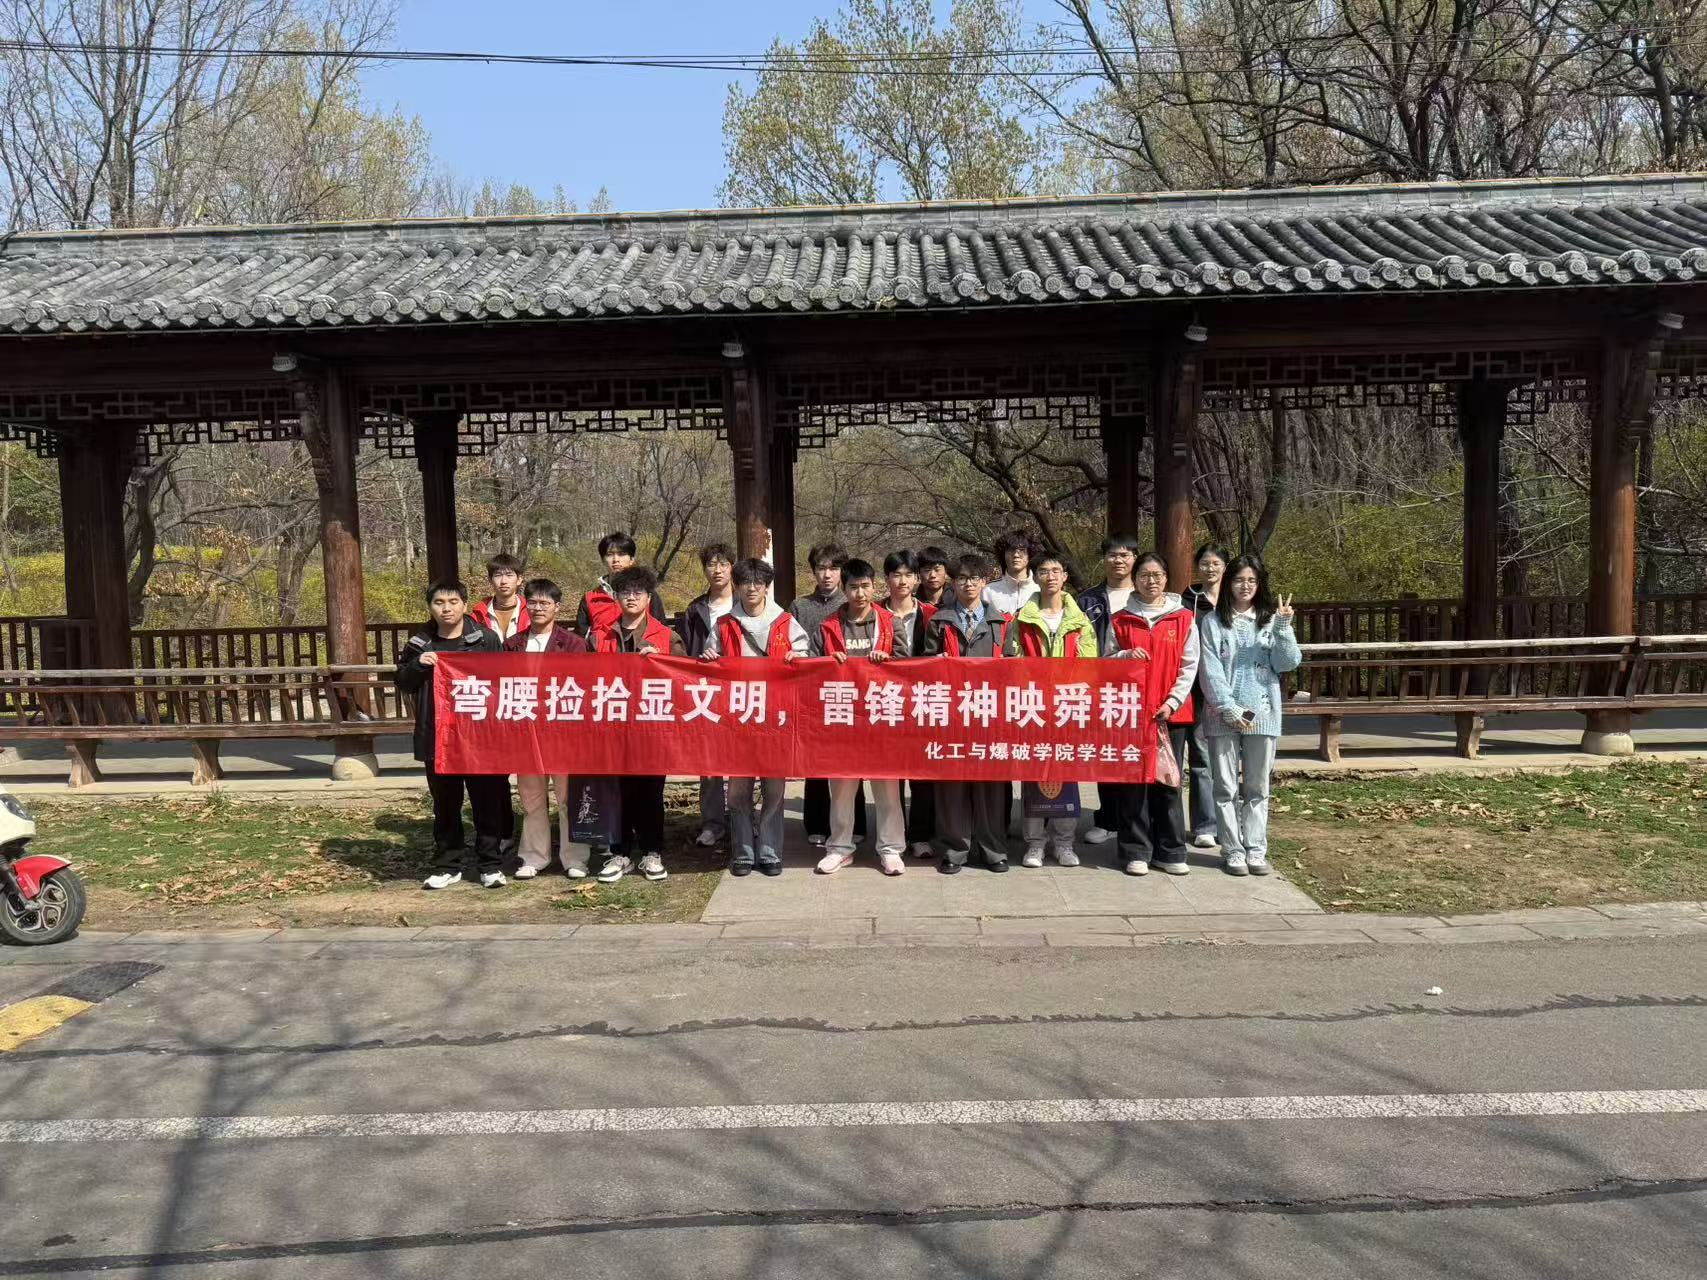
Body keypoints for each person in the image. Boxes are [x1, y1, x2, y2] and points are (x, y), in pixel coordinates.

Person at [395, 580, 507, 890]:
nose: (447, 608)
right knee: (445, 804)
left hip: (479, 736)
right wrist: (418, 665)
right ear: (430, 607)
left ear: (465, 604)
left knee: (486, 802)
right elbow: (403, 682)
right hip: (438, 736)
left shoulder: (484, 639)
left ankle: (490, 864)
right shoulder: (420, 643)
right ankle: (447, 865)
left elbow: (503, 679)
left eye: (453, 601)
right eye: (439, 602)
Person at [701, 557, 810, 876]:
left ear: (766, 587)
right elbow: (710, 662)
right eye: (745, 582)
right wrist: (709, 657)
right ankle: (744, 851)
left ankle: (771, 851)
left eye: (758, 583)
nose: (751, 588)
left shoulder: (786, 622)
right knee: (738, 791)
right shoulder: (724, 624)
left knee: (774, 789)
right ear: (736, 586)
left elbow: (806, 657)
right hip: (738, 719)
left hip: (775, 718)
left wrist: (797, 657)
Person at [1197, 556, 1300, 877]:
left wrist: (1283, 629)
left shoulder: (1270, 621)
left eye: (1252, 581)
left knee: (1257, 787)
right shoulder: (1213, 622)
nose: (1245, 586)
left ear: (1260, 585)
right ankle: (1232, 849)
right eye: (1239, 580)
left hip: (1263, 713)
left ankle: (1256, 848)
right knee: (1225, 787)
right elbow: (1210, 671)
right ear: (1228, 583)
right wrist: (1228, 708)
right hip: (1222, 715)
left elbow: (1287, 663)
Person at [1106, 551, 1200, 877]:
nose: (1151, 581)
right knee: (1134, 784)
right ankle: (1135, 850)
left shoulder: (1183, 618)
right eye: (1144, 575)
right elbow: (1105, 662)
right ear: (1135, 579)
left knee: (1168, 782)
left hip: (1170, 714)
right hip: (1130, 714)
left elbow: (1189, 666)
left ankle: (1170, 850)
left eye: (1157, 575)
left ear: (1166, 579)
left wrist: (1172, 701)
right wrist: (1124, 656)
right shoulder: (1120, 619)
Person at [589, 565, 685, 884]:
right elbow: (585, 677)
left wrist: (661, 661)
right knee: (617, 791)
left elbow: (684, 679)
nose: (631, 597)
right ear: (616, 597)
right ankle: (620, 853)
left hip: (652, 726)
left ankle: (652, 852)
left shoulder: (666, 636)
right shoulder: (600, 635)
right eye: (625, 592)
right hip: (612, 725)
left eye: (638, 592)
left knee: (650, 791)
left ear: (648, 598)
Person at [1004, 549, 1098, 868]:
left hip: (1068, 707)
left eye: (1056, 570)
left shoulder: (1079, 620)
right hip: (1033, 706)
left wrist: (1070, 696)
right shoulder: (1023, 618)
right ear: (1036, 577)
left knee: (1067, 775)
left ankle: (1064, 843)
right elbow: (1013, 661)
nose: (1050, 576)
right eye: (1044, 571)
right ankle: (1034, 843)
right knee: (1033, 775)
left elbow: (1089, 664)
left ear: (1065, 576)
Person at [814, 558, 906, 876]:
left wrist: (888, 659)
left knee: (888, 788)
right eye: (853, 587)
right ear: (844, 589)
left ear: (874, 586)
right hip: (843, 718)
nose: (860, 593)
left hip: (882, 716)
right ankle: (839, 848)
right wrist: (827, 662)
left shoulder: (890, 623)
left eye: (866, 586)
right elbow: (810, 668)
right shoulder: (828, 626)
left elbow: (909, 667)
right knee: (841, 789)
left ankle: (891, 849)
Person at [923, 553, 1012, 874]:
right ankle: (954, 850)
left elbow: (1014, 667)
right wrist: (936, 665)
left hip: (990, 715)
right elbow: (923, 666)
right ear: (953, 582)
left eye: (974, 578)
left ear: (984, 581)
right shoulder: (939, 621)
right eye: (962, 578)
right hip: (951, 716)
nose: (968, 584)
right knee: (952, 786)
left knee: (991, 786)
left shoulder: (1002, 622)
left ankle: (993, 850)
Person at [502, 578, 592, 879]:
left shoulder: (574, 644)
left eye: (545, 603)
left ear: (557, 607)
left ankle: (575, 858)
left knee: (567, 798)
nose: (538, 608)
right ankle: (534, 857)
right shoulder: (513, 644)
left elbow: (584, 686)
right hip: (526, 730)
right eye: (533, 602)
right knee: (532, 799)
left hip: (563, 731)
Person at [788, 543, 864, 846]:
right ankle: (816, 823)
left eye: (833, 568)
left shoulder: (852, 601)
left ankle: (856, 824)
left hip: (850, 694)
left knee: (852, 762)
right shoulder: (800, 606)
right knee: (816, 762)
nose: (827, 574)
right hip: (812, 694)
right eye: (821, 568)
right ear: (813, 571)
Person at [1077, 533, 1140, 846]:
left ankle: (1134, 821)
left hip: (1139, 688)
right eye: (1113, 555)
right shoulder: (1087, 600)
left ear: (1135, 559)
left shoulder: (1145, 594)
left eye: (1125, 554)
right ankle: (1107, 819)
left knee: (1133, 755)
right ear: (1104, 559)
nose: (1118, 560)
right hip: (1100, 686)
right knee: (1105, 754)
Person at [676, 543, 737, 850]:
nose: (717, 570)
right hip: (706, 691)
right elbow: (687, 651)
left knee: (742, 759)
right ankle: (713, 823)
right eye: (711, 564)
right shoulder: (695, 609)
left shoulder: (746, 602)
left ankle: (742, 819)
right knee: (709, 761)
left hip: (740, 689)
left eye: (723, 564)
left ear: (732, 567)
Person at [883, 550, 937, 858]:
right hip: (886, 701)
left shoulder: (931, 614)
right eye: (896, 575)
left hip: (923, 701)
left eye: (908, 575)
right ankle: (892, 837)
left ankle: (920, 835)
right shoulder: (874, 613)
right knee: (890, 776)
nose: (902, 581)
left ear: (917, 579)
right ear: (886, 579)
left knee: (922, 774)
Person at [1179, 543, 1230, 850]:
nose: (1210, 569)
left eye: (1216, 563)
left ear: (1225, 567)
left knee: (1226, 758)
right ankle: (1204, 826)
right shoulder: (1186, 601)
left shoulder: (1234, 599)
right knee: (1200, 757)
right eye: (1205, 563)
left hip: (1226, 688)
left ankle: (1228, 823)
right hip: (1193, 688)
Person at [575, 532, 665, 638]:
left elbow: (662, 633)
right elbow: (580, 640)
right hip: (601, 648)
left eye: (621, 554)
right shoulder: (590, 599)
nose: (616, 560)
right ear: (603, 560)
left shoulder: (646, 595)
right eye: (609, 554)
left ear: (632, 559)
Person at [469, 552, 528, 643]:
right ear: (490, 580)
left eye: (509, 575)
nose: (503, 581)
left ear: (519, 579)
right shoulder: (478, 614)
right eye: (498, 575)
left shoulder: (530, 611)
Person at [982, 529, 1040, 616]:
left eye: (1021, 550)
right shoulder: (988, 591)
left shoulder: (1040, 589)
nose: (1016, 555)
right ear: (1003, 555)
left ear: (1030, 554)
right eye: (1011, 550)